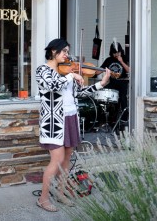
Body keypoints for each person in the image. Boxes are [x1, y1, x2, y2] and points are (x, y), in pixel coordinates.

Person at [35, 38, 111, 212]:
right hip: (53, 122)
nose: (67, 55)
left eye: (68, 52)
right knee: (57, 159)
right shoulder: (43, 70)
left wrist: (101, 84)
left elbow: (79, 93)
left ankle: (60, 192)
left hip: (70, 118)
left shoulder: (66, 72)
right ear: (54, 51)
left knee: (67, 159)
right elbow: (52, 85)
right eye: (65, 52)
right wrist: (71, 75)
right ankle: (43, 198)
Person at [98, 41, 130, 131]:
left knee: (123, 98)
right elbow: (99, 71)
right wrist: (96, 70)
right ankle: (107, 120)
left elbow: (129, 70)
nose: (116, 54)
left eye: (118, 52)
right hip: (112, 82)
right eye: (115, 53)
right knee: (104, 95)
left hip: (122, 82)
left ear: (121, 51)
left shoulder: (124, 57)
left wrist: (121, 61)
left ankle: (124, 120)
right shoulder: (108, 60)